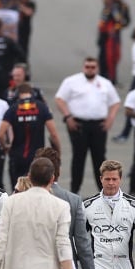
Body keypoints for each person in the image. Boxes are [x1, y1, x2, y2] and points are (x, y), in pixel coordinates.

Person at [54, 58, 121, 195]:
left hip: (99, 125)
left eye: (93, 67)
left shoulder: (105, 83)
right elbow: (59, 99)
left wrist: (110, 118)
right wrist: (67, 117)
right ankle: (75, 190)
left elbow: (115, 102)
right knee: (78, 157)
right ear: (83, 67)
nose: (90, 69)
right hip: (78, 125)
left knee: (99, 157)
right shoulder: (72, 82)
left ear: (97, 68)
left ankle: (103, 191)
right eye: (87, 66)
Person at [0, 83, 59, 190]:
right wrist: (58, 151)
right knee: (38, 188)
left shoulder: (13, 108)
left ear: (18, 94)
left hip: (17, 156)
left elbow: (0, 134)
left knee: (17, 189)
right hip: (37, 157)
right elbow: (53, 134)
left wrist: (5, 147)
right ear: (32, 93)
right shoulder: (42, 107)